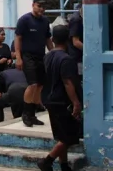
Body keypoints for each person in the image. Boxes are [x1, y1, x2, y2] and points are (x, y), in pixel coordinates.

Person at [38, 24, 82, 171]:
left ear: (53, 39)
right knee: (69, 136)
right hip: (61, 102)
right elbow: (68, 83)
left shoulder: (47, 57)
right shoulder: (66, 59)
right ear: (68, 40)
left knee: (61, 135)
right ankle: (47, 161)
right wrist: (76, 102)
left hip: (49, 100)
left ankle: (64, 165)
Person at [14, 0, 52, 127]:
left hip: (41, 56)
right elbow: (18, 39)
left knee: (40, 85)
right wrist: (18, 58)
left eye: (43, 6)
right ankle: (26, 113)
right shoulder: (24, 20)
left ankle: (33, 114)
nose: (41, 9)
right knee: (32, 84)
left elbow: (48, 39)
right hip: (27, 56)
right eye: (39, 6)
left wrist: (53, 53)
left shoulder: (45, 21)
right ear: (33, 5)